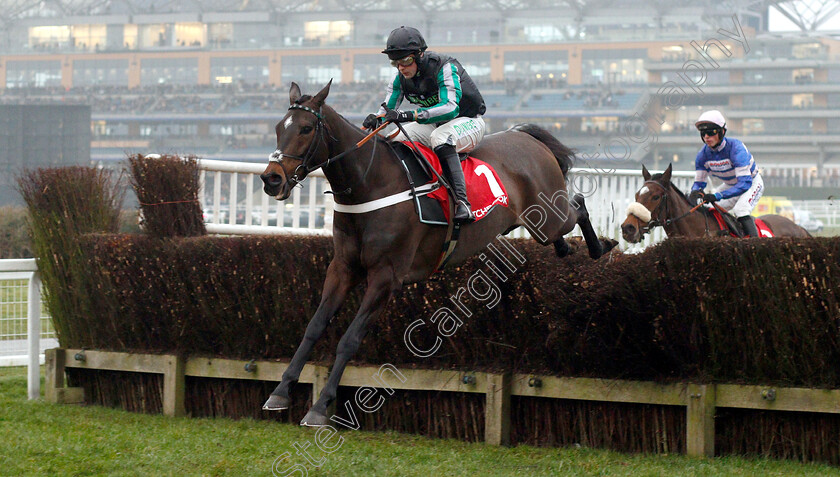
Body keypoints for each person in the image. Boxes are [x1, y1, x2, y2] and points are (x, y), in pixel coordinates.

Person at [363, 26, 487, 224]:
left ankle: (463, 203)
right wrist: (377, 118)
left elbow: (450, 108)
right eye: (395, 62)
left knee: (439, 138)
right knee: (394, 137)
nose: (401, 68)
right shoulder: (399, 79)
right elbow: (388, 109)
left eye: (405, 61)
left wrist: (409, 114)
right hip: (436, 123)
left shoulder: (445, 66)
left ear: (420, 55)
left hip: (468, 121)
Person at [688, 110, 763, 237]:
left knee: (741, 210)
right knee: (712, 210)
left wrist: (718, 195)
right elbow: (699, 183)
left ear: (722, 132)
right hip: (730, 185)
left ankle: (755, 246)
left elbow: (744, 184)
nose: (706, 137)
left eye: (711, 132)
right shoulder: (702, 155)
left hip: (751, 183)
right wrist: (694, 193)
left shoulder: (736, 149)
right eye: (703, 133)